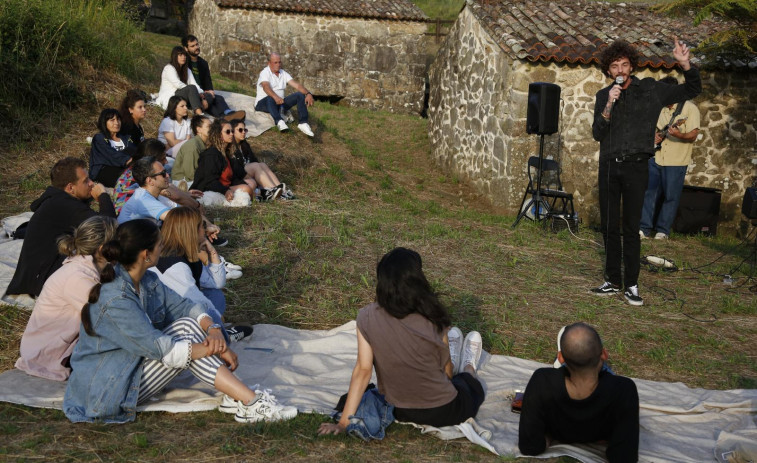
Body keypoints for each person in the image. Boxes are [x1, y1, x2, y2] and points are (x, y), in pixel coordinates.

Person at [63, 219, 297, 423]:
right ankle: (249, 401)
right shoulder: (115, 300)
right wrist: (213, 349)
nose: (162, 250)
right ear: (146, 255)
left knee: (190, 325)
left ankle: (240, 398)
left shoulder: (147, 279)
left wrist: (214, 330)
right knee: (185, 341)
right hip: (106, 390)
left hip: (128, 367)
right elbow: (163, 350)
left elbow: (185, 307)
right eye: (159, 246)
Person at [318, 248, 485, 436]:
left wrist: (342, 423)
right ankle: (468, 367)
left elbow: (363, 370)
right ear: (418, 280)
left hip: (399, 409)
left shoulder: (366, 316)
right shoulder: (433, 314)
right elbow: (446, 371)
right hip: (445, 411)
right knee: (466, 383)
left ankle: (458, 360)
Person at [590, 37, 701, 306]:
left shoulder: (652, 90)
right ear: (608, 71)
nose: (620, 70)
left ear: (632, 67)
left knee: (631, 227)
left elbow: (693, 89)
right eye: (615, 66)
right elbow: (597, 133)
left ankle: (632, 285)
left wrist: (685, 63)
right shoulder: (604, 95)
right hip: (608, 166)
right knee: (608, 225)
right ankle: (612, 280)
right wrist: (608, 106)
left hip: (637, 167)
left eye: (625, 64)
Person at [518, 323, 639, 462]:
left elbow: (529, 446)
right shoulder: (623, 389)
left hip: (557, 429)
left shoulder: (542, 380)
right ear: (604, 354)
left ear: (561, 357)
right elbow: (624, 457)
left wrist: (548, 437)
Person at [15, 216, 118, 380]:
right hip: (49, 352)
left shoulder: (90, 269)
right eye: (117, 242)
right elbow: (110, 318)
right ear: (102, 248)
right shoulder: (78, 278)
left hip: (62, 344)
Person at [6, 157, 116, 297]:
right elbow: (108, 226)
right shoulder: (64, 204)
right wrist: (103, 196)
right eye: (86, 181)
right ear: (70, 188)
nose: (91, 183)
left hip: (40, 272)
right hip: (43, 280)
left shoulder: (58, 200)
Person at [150, 207, 251, 343]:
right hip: (166, 320)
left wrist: (213, 254)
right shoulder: (175, 265)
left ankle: (214, 333)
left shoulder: (184, 253)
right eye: (202, 226)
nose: (205, 230)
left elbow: (217, 283)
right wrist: (216, 321)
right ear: (192, 231)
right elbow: (195, 301)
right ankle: (222, 338)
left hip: (180, 309)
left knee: (215, 294)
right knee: (209, 306)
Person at [640, 76, 701, 240]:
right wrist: (651, 137)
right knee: (648, 193)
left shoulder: (689, 109)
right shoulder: (656, 106)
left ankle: (662, 231)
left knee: (671, 196)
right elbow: (645, 127)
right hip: (656, 156)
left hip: (676, 159)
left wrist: (679, 134)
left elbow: (694, 135)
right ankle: (644, 228)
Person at [113, 138, 201, 215]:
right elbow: (175, 196)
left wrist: (186, 194)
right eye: (162, 158)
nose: (166, 162)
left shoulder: (133, 170)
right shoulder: (142, 175)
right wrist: (197, 206)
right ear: (151, 160)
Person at [191, 119, 257, 202]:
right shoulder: (211, 154)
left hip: (225, 186)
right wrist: (225, 190)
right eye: (228, 132)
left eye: (232, 131)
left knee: (251, 183)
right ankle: (255, 197)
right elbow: (209, 180)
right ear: (219, 135)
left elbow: (234, 177)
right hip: (211, 189)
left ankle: (256, 195)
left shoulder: (226, 152)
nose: (232, 134)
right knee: (246, 188)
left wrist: (242, 183)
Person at [182, 34, 245, 120]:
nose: (196, 47)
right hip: (192, 95)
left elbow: (208, 81)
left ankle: (228, 113)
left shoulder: (203, 63)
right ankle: (224, 117)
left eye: (197, 44)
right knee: (208, 100)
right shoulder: (184, 62)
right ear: (186, 48)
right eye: (192, 46)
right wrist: (204, 97)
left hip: (202, 93)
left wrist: (210, 91)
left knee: (218, 98)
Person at [254, 52, 315, 137]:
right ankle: (279, 121)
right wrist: (275, 97)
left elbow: (296, 85)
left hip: (280, 103)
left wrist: (308, 93)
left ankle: (303, 123)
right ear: (269, 63)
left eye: (279, 62)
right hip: (263, 103)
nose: (278, 65)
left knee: (299, 95)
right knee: (270, 97)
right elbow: (265, 87)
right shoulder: (265, 72)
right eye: (275, 62)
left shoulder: (283, 73)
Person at [231, 119, 294, 200]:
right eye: (240, 130)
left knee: (262, 164)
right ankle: (273, 190)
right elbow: (234, 166)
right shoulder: (230, 147)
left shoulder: (244, 144)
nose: (243, 132)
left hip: (248, 170)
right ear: (232, 131)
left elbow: (254, 159)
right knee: (256, 166)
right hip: (239, 173)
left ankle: (281, 190)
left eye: (245, 129)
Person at [89, 108, 134, 187]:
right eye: (112, 120)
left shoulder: (126, 138)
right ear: (104, 122)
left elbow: (135, 152)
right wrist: (127, 160)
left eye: (118, 119)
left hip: (124, 169)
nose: (116, 123)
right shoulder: (99, 138)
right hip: (104, 171)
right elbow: (110, 154)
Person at [156, 46, 207, 117]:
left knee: (209, 96)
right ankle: (199, 114)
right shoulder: (169, 68)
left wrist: (202, 94)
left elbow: (194, 83)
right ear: (175, 56)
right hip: (171, 96)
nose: (183, 57)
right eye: (180, 55)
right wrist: (194, 92)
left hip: (182, 96)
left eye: (184, 55)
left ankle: (224, 113)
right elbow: (178, 84)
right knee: (191, 88)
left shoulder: (186, 70)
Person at [172, 115, 211, 186]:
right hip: (182, 182)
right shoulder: (193, 146)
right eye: (209, 126)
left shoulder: (204, 143)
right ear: (199, 129)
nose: (212, 129)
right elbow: (190, 174)